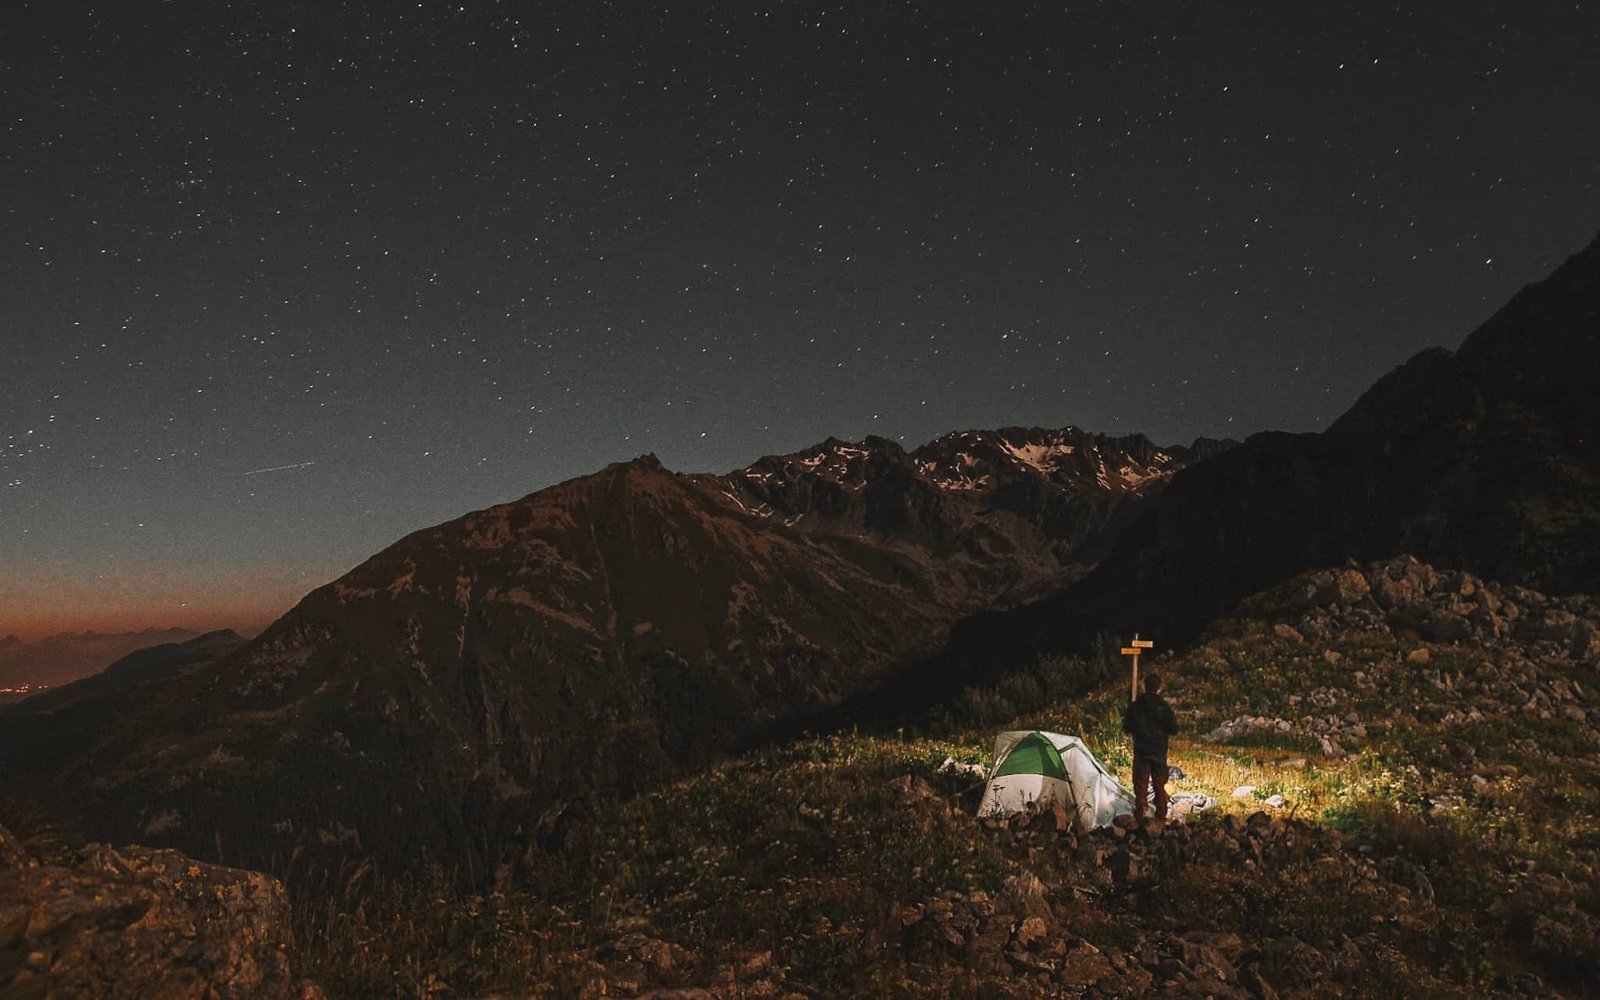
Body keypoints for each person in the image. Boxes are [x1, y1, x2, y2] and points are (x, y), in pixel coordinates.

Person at [1122, 671, 1179, 822]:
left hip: (1141, 751)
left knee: (1140, 785)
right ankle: (1161, 817)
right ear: (1159, 688)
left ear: (1144, 686)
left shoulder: (1136, 706)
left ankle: (1140, 815)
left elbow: (1126, 727)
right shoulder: (1164, 707)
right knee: (1159, 785)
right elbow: (1174, 729)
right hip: (1159, 751)